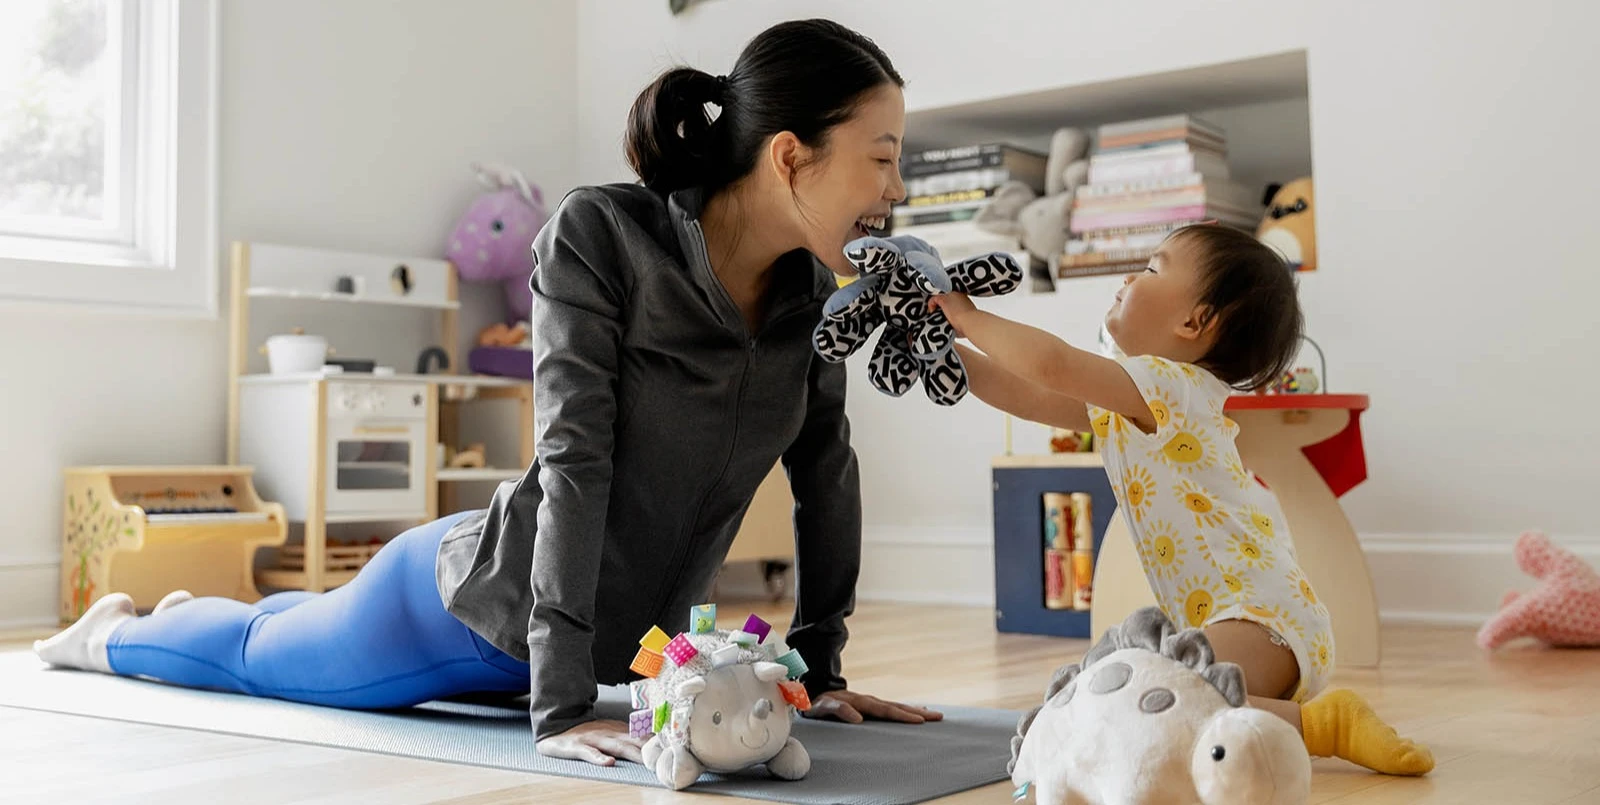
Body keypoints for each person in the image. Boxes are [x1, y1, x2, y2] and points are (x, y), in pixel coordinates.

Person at [34, 18, 942, 768]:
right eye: (883, 159)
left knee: (292, 627)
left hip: (626, 644)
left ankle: (234, 614)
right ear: (792, 156)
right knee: (255, 658)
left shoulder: (817, 301)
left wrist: (819, 667)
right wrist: (561, 708)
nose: (896, 192)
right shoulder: (603, 236)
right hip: (475, 611)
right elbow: (575, 461)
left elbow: (825, 468)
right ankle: (110, 634)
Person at [931, 224, 1435, 776]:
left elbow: (1052, 364)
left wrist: (969, 316)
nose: (1128, 277)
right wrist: (941, 349)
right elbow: (1031, 394)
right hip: (1253, 626)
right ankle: (1285, 719)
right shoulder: (1135, 397)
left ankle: (1325, 725)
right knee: (1157, 702)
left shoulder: (1171, 384)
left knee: (1163, 690)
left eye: (1150, 268)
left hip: (1257, 619)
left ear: (1194, 322)